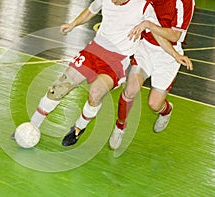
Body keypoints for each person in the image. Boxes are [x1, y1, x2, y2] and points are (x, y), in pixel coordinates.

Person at [26, 0, 188, 147]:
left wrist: (175, 54)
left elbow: (157, 35)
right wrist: (73, 24)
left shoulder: (144, 6)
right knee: (59, 87)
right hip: (93, 51)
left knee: (95, 93)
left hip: (116, 61)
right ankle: (32, 126)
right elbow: (91, 10)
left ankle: (78, 128)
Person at [109, 0, 195, 150]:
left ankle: (166, 110)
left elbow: (174, 36)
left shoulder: (185, 2)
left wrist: (148, 25)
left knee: (154, 104)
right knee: (130, 90)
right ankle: (120, 126)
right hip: (146, 48)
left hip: (168, 56)